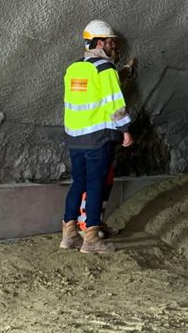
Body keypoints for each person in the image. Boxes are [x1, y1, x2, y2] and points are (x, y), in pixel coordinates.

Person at [60, 20, 134, 254]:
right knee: (95, 186)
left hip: (74, 136)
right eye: (112, 42)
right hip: (97, 139)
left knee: (78, 183)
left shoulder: (74, 68)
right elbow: (115, 104)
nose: (115, 47)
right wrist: (125, 131)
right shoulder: (105, 69)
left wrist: (124, 72)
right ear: (100, 43)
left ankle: (69, 234)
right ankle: (91, 238)